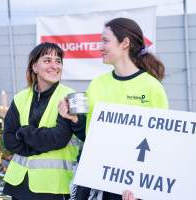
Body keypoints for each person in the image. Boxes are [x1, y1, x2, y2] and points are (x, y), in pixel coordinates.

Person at [59, 17, 168, 200]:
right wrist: (74, 119)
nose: (100, 46)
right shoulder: (97, 84)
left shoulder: (152, 87)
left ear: (125, 43)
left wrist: (141, 186)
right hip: (95, 178)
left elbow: (160, 142)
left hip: (130, 187)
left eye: (105, 40)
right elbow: (90, 136)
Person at [2, 42, 85, 200]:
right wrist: (37, 144)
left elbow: (58, 138)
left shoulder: (71, 96)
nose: (54, 66)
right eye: (47, 60)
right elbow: (9, 139)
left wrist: (24, 132)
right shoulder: (20, 97)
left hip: (53, 186)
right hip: (19, 183)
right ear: (34, 67)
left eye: (58, 61)